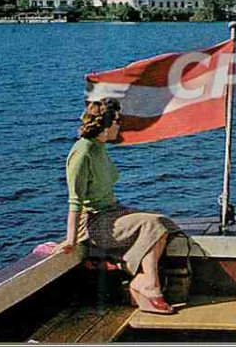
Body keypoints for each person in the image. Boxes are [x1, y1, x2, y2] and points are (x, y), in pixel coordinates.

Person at [55, 98, 179, 314]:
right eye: (116, 121)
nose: (119, 125)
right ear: (105, 125)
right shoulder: (81, 153)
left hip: (111, 212)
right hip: (94, 222)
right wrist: (70, 239)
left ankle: (142, 281)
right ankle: (150, 285)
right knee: (152, 225)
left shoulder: (99, 147)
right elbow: (75, 201)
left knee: (162, 222)